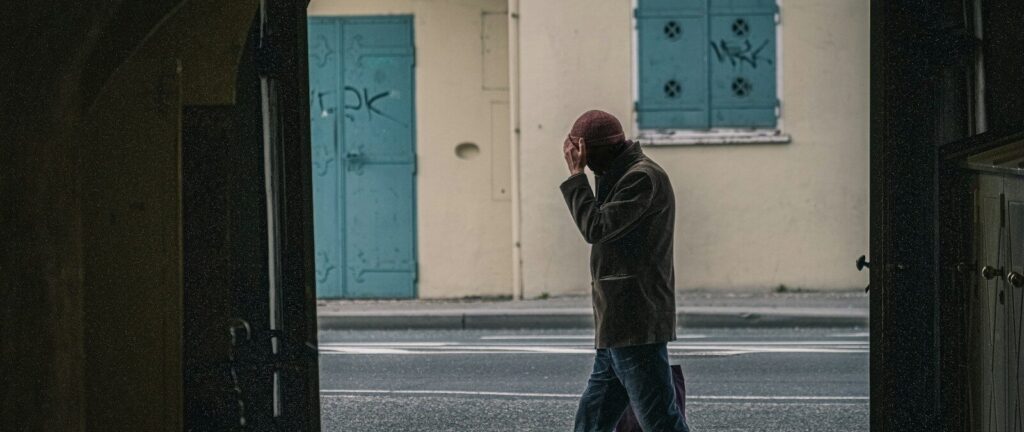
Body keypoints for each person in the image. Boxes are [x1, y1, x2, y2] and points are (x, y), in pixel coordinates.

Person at [560, 110, 689, 432]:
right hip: (619, 321)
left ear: (602, 151)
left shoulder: (640, 178)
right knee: (593, 418)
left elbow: (596, 227)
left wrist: (577, 177)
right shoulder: (620, 174)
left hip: (634, 319)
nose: (587, 165)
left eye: (588, 157)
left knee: (660, 420)